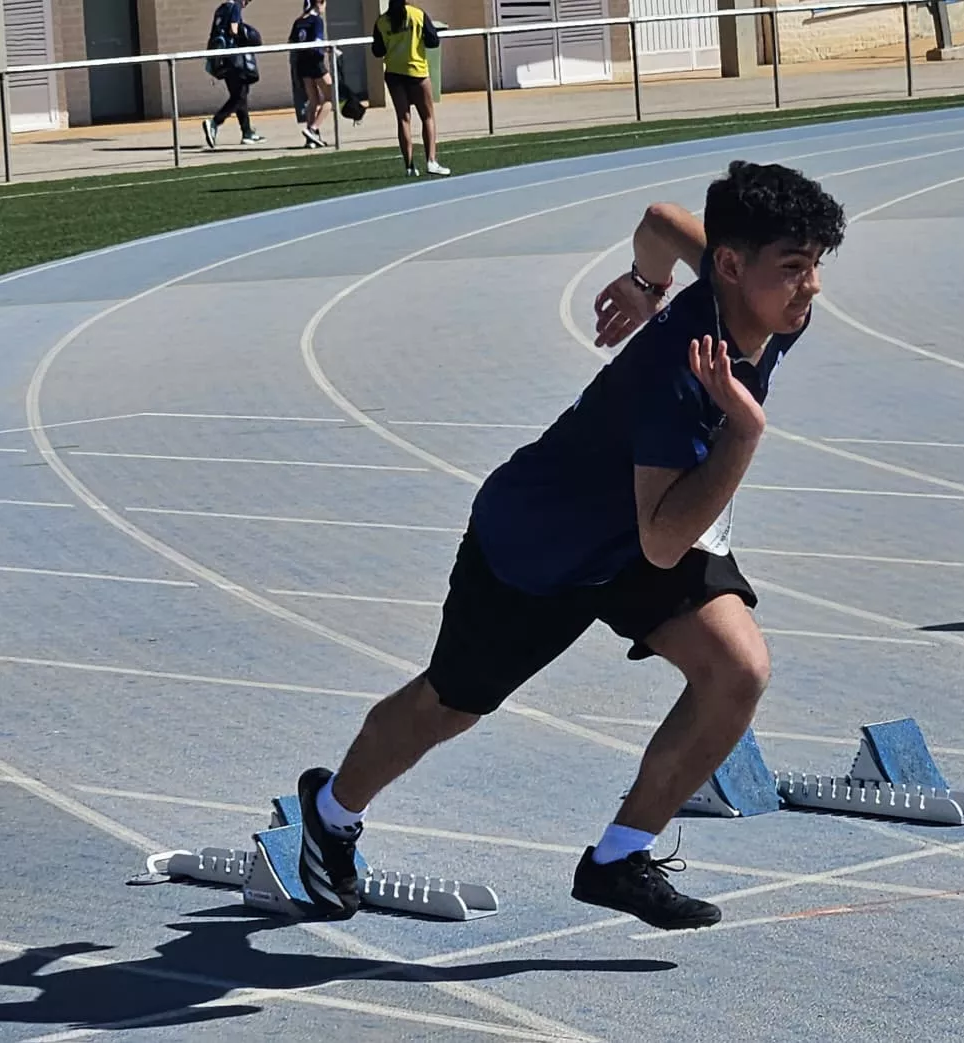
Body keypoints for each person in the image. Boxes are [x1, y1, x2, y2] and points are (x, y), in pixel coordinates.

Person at [293, 160, 846, 931]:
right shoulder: (675, 372)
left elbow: (660, 220)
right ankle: (329, 812)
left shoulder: (762, 299)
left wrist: (643, 284)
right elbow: (662, 542)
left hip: (633, 534)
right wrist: (745, 430)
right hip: (540, 547)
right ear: (731, 264)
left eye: (815, 265)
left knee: (737, 669)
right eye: (793, 269)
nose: (810, 288)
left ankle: (618, 857)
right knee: (446, 707)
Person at [371, 0, 449, 177]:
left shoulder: (382, 21)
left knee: (403, 119)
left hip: (393, 74)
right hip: (417, 72)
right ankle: (431, 161)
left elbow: (377, 51)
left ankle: (409, 166)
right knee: (427, 116)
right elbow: (433, 41)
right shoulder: (417, 14)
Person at [203, 0, 265, 147]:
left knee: (240, 94)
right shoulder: (235, 7)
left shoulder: (221, 8)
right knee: (239, 96)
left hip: (222, 60)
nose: (247, 3)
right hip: (233, 59)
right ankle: (215, 122)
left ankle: (247, 132)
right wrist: (248, 38)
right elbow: (234, 30)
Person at [290, 0, 332, 148]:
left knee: (313, 100)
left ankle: (311, 139)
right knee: (331, 96)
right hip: (315, 64)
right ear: (319, 2)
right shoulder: (316, 20)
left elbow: (292, 42)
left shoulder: (299, 21)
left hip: (303, 64)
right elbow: (317, 42)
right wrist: (330, 49)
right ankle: (313, 129)